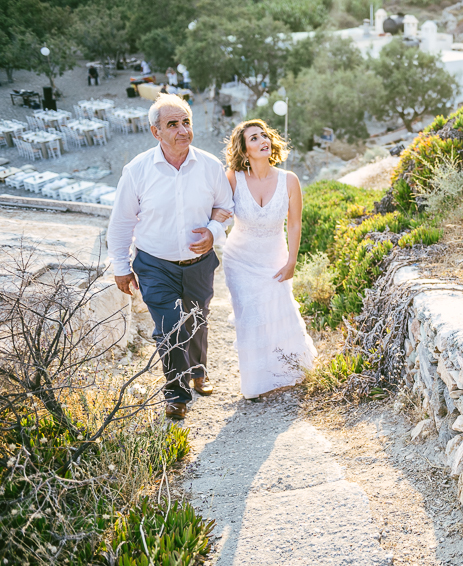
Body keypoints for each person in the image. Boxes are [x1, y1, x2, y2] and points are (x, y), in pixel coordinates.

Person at [107, 94, 234, 420]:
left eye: (186, 122)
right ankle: (177, 392)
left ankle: (199, 371)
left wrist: (212, 232)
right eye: (173, 124)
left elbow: (226, 208)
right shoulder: (137, 171)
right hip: (154, 265)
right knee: (169, 328)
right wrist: (121, 266)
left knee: (197, 319)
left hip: (199, 264)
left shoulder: (209, 165)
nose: (182, 130)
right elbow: (122, 221)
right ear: (156, 132)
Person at [214, 119, 316, 400]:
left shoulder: (289, 180)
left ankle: (289, 372)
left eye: (264, 135)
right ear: (244, 150)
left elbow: (294, 224)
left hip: (274, 258)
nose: (263, 141)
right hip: (239, 260)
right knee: (251, 318)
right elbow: (217, 210)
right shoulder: (233, 177)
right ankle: (257, 383)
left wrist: (292, 260)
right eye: (254, 138)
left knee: (279, 312)